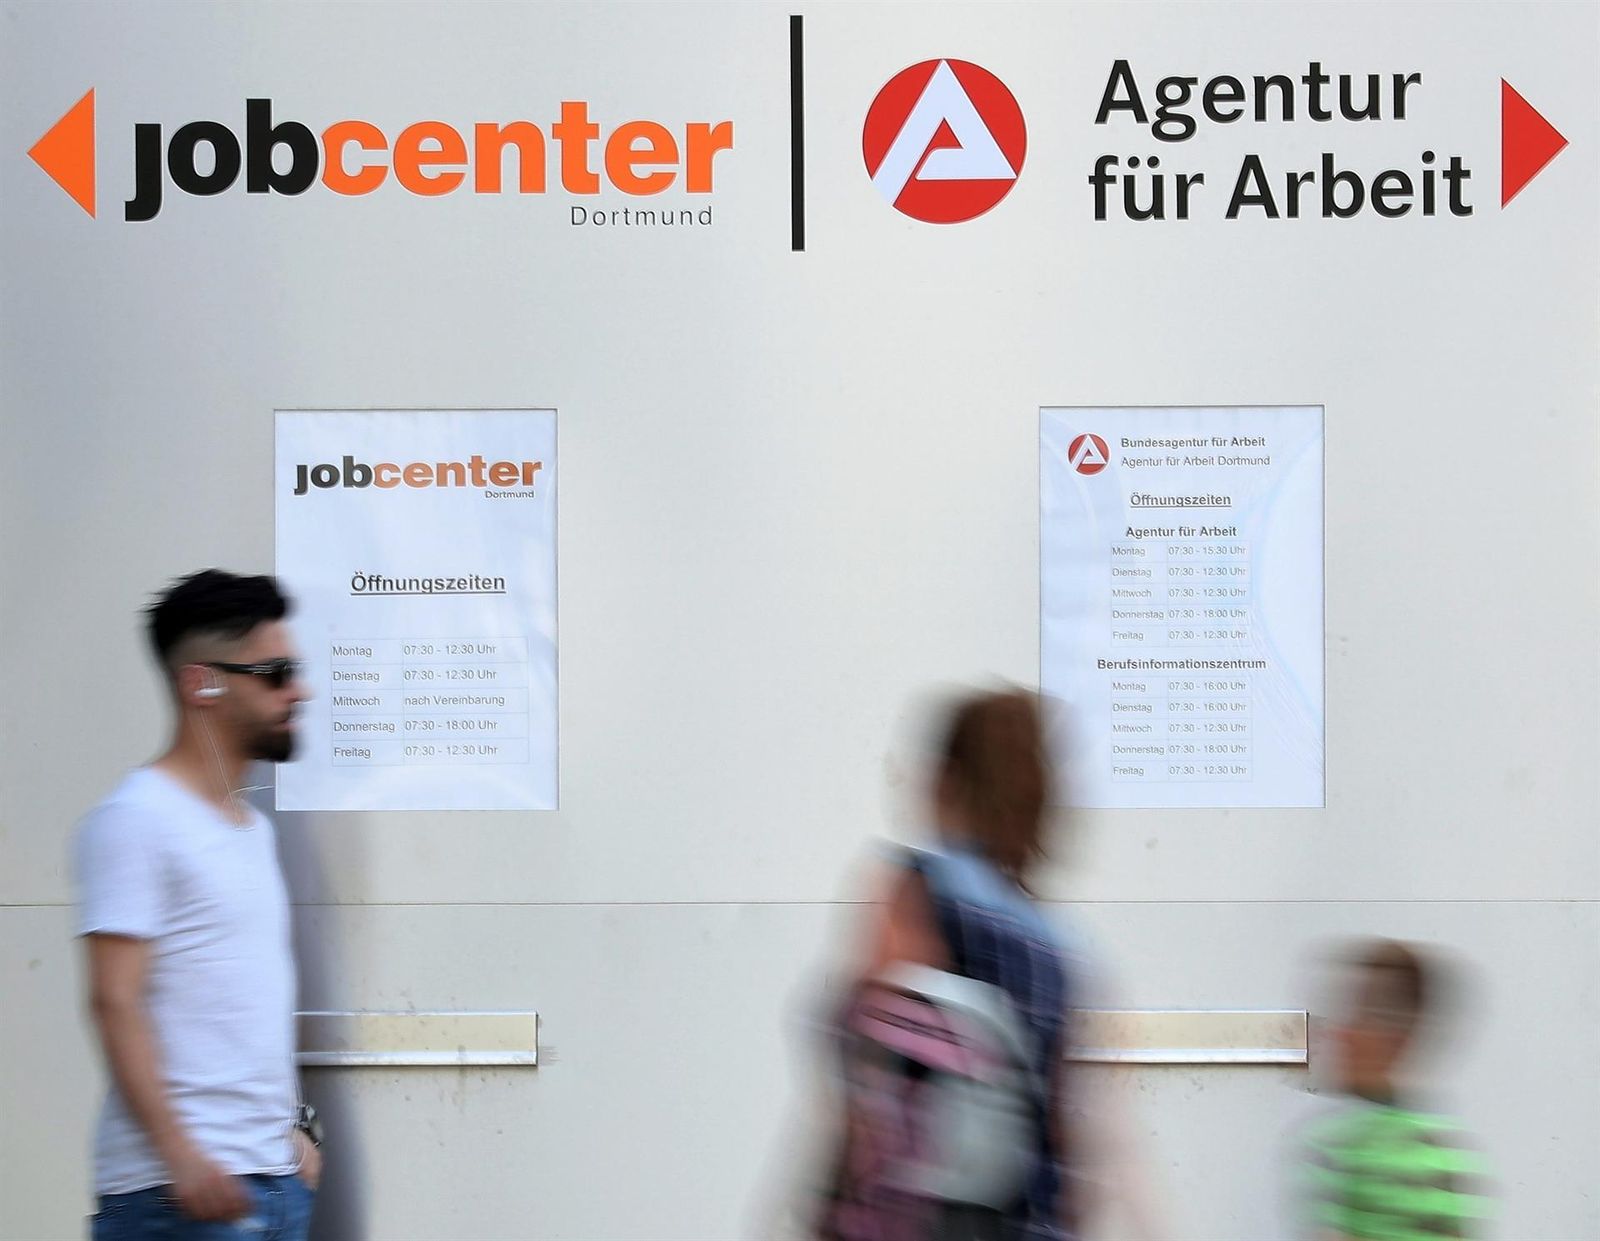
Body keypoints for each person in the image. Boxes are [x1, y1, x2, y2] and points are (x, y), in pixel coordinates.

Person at [73, 569, 320, 1240]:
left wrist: (293, 1133)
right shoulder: (137, 818)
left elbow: (241, 1002)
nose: (298, 690)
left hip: (269, 1186)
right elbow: (113, 1000)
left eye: (294, 669)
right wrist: (180, 1155)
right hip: (180, 1198)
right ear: (201, 684)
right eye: (274, 673)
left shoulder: (249, 829)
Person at [823, 688, 1081, 1241]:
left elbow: (875, 1081)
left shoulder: (916, 891)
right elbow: (1061, 1139)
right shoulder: (1057, 951)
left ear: (946, 780)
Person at [1298, 938, 1492, 1240]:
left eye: (1361, 1015)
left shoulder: (1395, 1154)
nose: (1341, 1033)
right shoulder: (1352, 1140)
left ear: (1399, 1039)